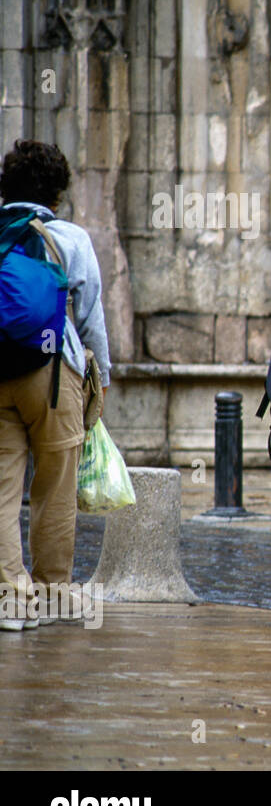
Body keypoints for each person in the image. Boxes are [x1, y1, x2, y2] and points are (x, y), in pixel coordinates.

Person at [0, 140, 112, 630]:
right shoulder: (70, 237)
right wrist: (100, 382)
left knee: (3, 489)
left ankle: (9, 600)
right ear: (58, 191)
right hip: (52, 373)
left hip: (0, 371)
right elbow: (90, 319)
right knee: (54, 486)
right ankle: (50, 593)